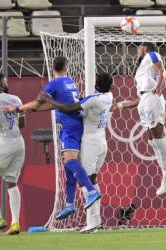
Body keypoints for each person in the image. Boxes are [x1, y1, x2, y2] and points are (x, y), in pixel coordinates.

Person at [4, 56, 100, 220]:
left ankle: (91, 191)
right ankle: (70, 204)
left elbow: (36, 102)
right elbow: (48, 105)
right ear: (66, 67)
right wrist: (34, 109)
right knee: (68, 166)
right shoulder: (70, 82)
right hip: (76, 124)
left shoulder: (53, 84)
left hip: (69, 126)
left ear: (51, 67)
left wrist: (17, 108)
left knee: (70, 162)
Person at [38, 72, 113, 233]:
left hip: (91, 143)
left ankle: (92, 222)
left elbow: (69, 108)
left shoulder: (94, 99)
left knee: (85, 181)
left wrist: (49, 99)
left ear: (97, 84)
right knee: (92, 178)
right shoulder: (109, 97)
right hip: (102, 142)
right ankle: (96, 220)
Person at [112, 42, 166, 196]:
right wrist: (118, 106)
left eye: (139, 48)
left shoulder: (152, 55)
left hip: (152, 97)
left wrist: (160, 86)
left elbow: (163, 72)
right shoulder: (142, 70)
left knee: (157, 136)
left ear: (145, 48)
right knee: (152, 140)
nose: (137, 51)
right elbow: (137, 100)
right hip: (145, 99)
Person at [0, 73, 25, 235]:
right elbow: (23, 123)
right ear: (3, 83)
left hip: (1, 142)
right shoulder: (17, 99)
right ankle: (16, 223)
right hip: (18, 143)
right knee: (12, 183)